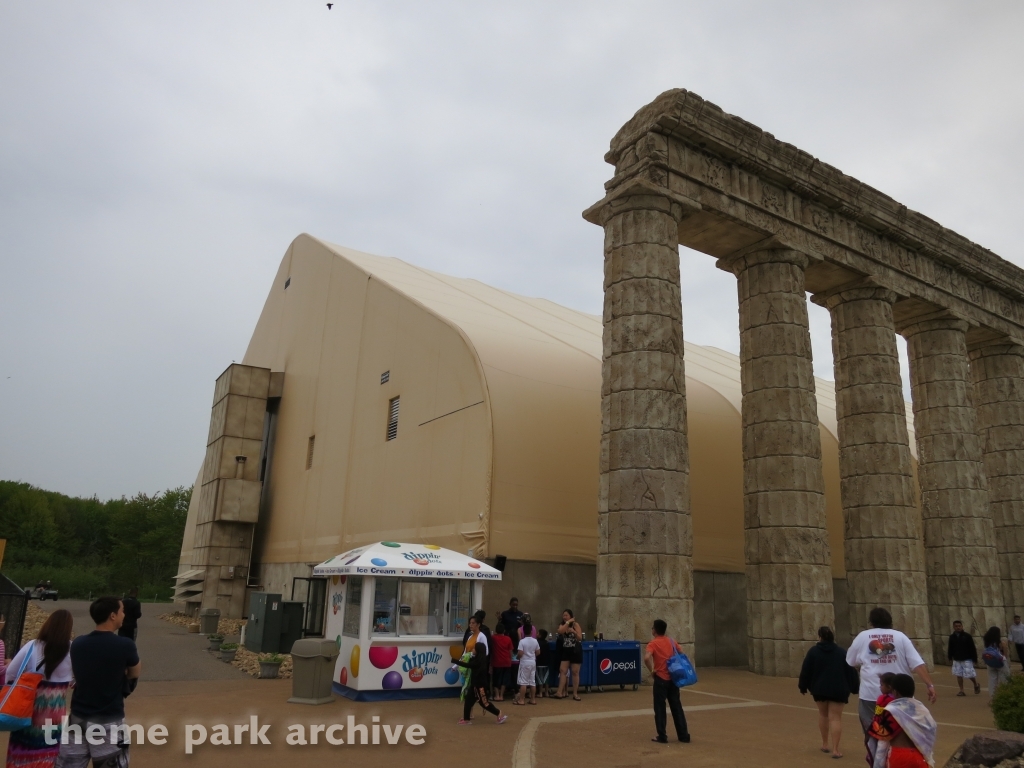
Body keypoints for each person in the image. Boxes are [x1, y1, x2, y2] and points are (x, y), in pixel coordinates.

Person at [55, 596, 141, 768]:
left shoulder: (78, 643)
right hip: (109, 719)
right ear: (113, 615)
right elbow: (134, 672)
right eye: (122, 610)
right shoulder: (125, 645)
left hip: (78, 718)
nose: (124, 615)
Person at [846, 607, 937, 733]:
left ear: (871, 622)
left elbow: (850, 660)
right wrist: (930, 685)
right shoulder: (901, 637)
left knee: (872, 731)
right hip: (899, 694)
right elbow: (917, 664)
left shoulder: (863, 636)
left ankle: (876, 752)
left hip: (871, 694)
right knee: (900, 730)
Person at [5, 609, 74, 768]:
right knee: (49, 749)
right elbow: (78, 677)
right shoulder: (72, 649)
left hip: (29, 706)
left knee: (23, 746)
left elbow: (10, 673)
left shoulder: (32, 646)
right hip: (55, 711)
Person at [798, 626, 858, 758]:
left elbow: (806, 670)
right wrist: (855, 688)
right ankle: (836, 749)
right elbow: (851, 671)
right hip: (838, 689)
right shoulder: (842, 652)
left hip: (819, 688)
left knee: (823, 715)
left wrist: (803, 686)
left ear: (820, 637)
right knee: (835, 718)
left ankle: (825, 744)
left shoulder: (813, 652)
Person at [867, 674, 937, 768]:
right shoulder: (920, 709)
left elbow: (883, 734)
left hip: (899, 756)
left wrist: (875, 720)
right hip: (919, 755)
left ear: (895, 692)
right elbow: (932, 728)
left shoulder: (892, 710)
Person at [643, 619, 690, 744]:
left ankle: (662, 735)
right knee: (676, 707)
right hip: (673, 678)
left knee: (660, 708)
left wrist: (652, 670)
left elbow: (646, 658)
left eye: (652, 628)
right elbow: (681, 653)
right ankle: (683, 735)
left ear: (655, 630)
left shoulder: (653, 644)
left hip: (660, 678)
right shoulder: (671, 641)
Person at [451, 642, 507, 726]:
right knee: (468, 701)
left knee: (484, 703)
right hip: (474, 685)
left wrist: (455, 660)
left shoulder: (479, 662)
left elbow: (467, 665)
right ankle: (466, 719)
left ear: (478, 650)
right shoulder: (478, 659)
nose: (472, 649)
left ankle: (499, 713)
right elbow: (470, 662)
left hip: (480, 687)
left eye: (474, 648)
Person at [947, 620, 980, 696]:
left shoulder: (967, 636)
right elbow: (950, 647)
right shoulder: (952, 637)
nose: (958, 628)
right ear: (953, 627)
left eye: (959, 626)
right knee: (958, 674)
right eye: (956, 626)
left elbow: (972, 648)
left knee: (969, 674)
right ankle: (961, 690)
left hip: (967, 658)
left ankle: (975, 684)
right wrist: (950, 656)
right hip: (957, 658)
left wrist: (974, 658)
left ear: (962, 626)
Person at [556, 609, 583, 700]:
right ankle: (559, 692)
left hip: (575, 650)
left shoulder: (576, 625)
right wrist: (567, 622)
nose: (564, 617)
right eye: (563, 615)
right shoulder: (563, 625)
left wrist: (574, 632)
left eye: (566, 615)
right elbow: (560, 631)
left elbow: (580, 638)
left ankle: (575, 694)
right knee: (562, 670)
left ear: (570, 616)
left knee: (575, 672)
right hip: (566, 650)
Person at [514, 620, 540, 706]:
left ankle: (521, 700)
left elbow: (520, 653)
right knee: (532, 681)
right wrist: (532, 655)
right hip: (533, 661)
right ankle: (533, 699)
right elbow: (538, 652)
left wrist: (517, 657)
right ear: (531, 631)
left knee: (523, 682)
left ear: (523, 631)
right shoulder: (535, 641)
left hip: (524, 662)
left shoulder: (522, 641)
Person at [982, 626, 1011, 697]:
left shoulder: (987, 642)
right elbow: (1005, 655)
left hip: (990, 663)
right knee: (1004, 679)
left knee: (992, 680)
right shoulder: (1001, 643)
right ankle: (1004, 696)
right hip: (1001, 662)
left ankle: (993, 697)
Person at [490, 623, 513, 701]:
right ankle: (501, 695)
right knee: (504, 679)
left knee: (496, 679)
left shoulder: (493, 638)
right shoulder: (508, 639)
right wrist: (510, 659)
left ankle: (497, 695)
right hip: (506, 661)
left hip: (496, 661)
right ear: (504, 630)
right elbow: (510, 651)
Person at [536, 628, 552, 698]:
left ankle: (540, 693)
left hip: (539, 662)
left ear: (540, 635)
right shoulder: (547, 643)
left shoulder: (536, 642)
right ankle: (546, 692)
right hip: (546, 663)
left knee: (539, 677)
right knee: (546, 678)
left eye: (537, 633)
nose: (536, 634)